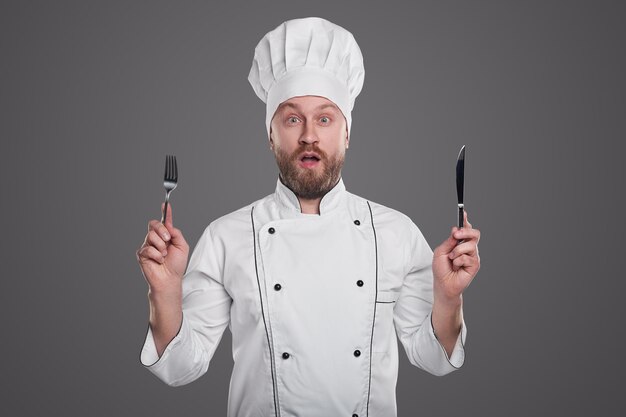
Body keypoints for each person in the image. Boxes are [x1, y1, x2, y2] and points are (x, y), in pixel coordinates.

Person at [136, 17, 481, 417]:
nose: (309, 136)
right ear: (270, 134)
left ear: (347, 133)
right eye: (292, 118)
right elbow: (180, 368)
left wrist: (449, 297)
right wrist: (163, 293)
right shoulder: (226, 237)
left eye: (325, 118)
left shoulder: (396, 233)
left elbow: (434, 359)